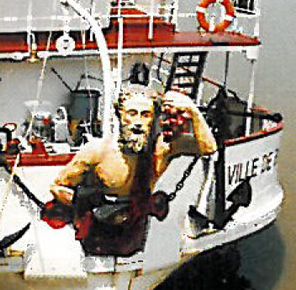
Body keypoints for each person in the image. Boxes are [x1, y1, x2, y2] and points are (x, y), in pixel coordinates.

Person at [48, 85, 216, 255]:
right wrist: (83, 203)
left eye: (145, 115)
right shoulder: (98, 151)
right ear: (120, 115)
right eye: (132, 113)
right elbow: (57, 186)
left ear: (154, 118)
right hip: (100, 235)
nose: (138, 122)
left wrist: (193, 111)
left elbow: (208, 148)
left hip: (136, 235)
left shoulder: (162, 150)